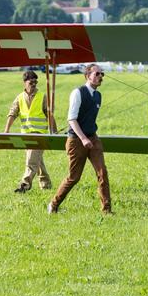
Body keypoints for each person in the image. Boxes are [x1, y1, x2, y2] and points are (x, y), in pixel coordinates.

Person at [48, 63, 112, 214]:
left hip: (93, 138)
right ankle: (53, 204)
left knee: (102, 173)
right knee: (74, 177)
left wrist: (90, 138)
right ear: (87, 75)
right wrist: (83, 139)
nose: (100, 77)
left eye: (101, 74)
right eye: (97, 74)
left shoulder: (98, 95)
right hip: (76, 140)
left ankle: (107, 210)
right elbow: (72, 119)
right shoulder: (78, 92)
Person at [4, 70, 55, 193]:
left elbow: (49, 115)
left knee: (31, 160)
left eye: (35, 82)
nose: (34, 84)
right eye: (31, 82)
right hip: (25, 135)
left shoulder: (42, 96)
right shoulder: (19, 98)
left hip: (39, 133)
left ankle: (24, 185)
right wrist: (6, 130)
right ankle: (46, 184)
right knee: (37, 160)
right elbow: (12, 113)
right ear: (24, 83)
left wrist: (54, 130)